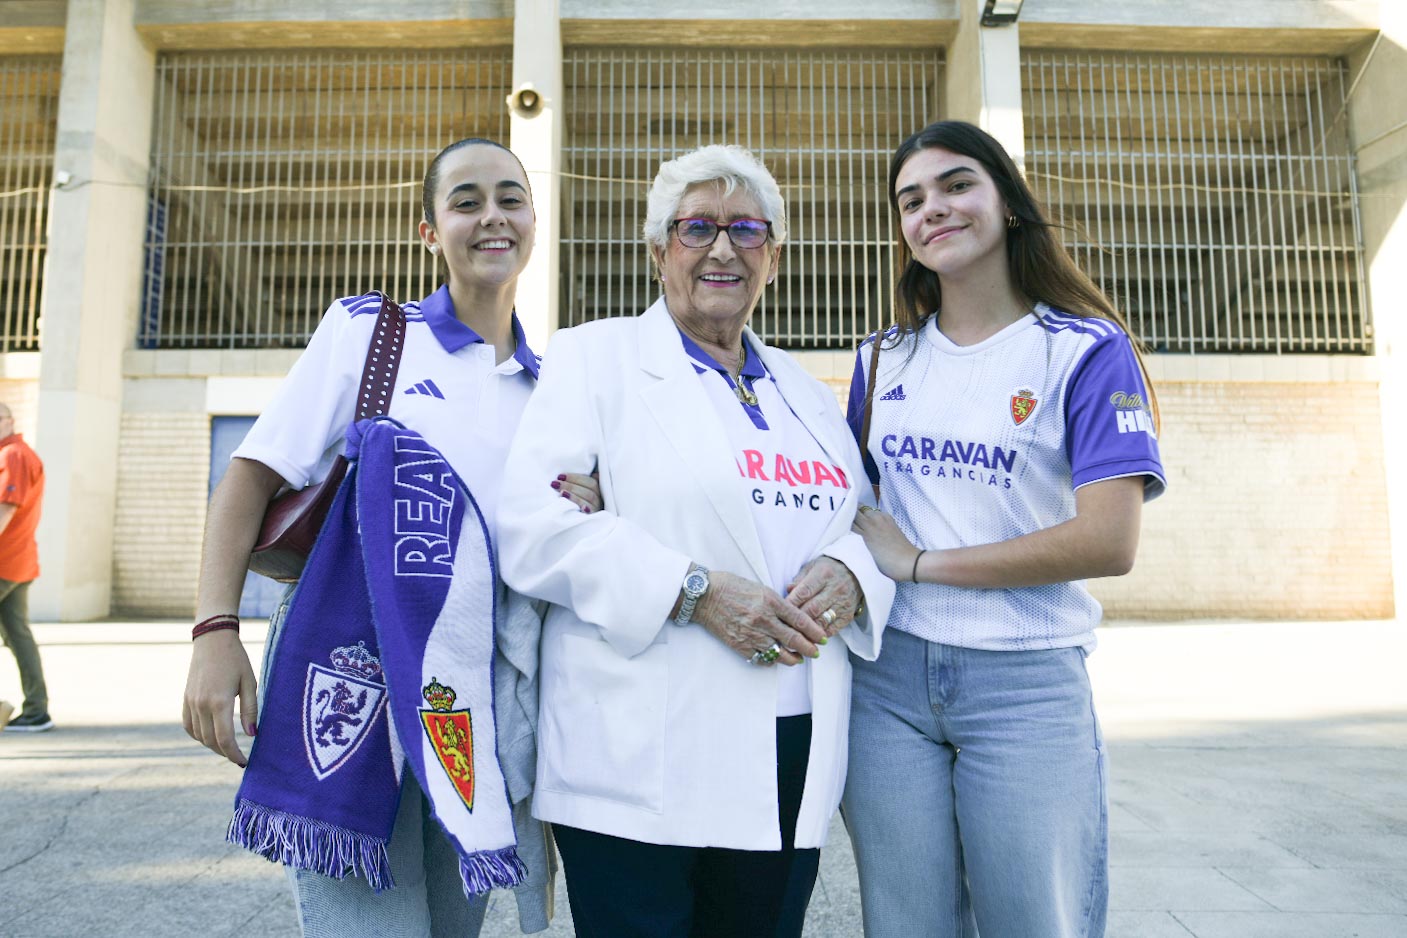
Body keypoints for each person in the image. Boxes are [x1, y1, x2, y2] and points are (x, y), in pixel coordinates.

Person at [181, 138, 599, 938]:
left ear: (534, 222)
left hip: (466, 688)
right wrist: (214, 632)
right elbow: (246, 480)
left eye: (510, 198)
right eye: (465, 200)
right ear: (429, 230)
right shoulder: (371, 334)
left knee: (451, 928)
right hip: (349, 661)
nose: (491, 216)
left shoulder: (553, 393)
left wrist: (591, 500)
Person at [495, 144, 895, 938]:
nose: (722, 248)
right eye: (697, 227)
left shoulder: (806, 397)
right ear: (657, 251)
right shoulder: (593, 360)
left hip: (789, 744)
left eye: (747, 230)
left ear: (773, 259)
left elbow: (866, 518)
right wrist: (694, 590)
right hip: (639, 752)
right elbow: (533, 529)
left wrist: (852, 574)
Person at [842, 120, 1167, 938]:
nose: (932, 210)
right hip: (886, 686)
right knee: (905, 924)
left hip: (1023, 685)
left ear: (1007, 203)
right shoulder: (880, 359)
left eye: (956, 185)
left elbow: (1108, 542)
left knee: (1033, 921)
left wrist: (918, 564)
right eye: (910, 200)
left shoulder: (1084, 350)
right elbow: (821, 492)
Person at [0, 403, 50, 733]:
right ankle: (36, 710)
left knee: (19, 636)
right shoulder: (17, 453)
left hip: (5, 562)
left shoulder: (13, 454)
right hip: (19, 563)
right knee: (19, 636)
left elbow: (5, 508)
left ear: (8, 420)